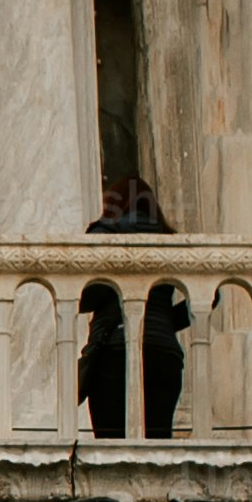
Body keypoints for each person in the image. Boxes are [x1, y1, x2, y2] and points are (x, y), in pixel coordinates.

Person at [79, 178, 188, 438]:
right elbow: (210, 296)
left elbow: (84, 297)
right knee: (156, 453)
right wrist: (162, 323)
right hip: (163, 355)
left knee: (111, 453)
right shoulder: (171, 240)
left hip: (115, 351)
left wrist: (113, 279)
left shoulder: (106, 233)